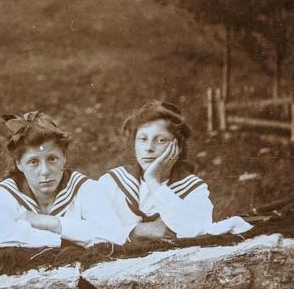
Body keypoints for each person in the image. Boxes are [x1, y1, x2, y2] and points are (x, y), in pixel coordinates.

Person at [98, 100, 252, 242]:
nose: (149, 148)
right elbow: (91, 229)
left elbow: (195, 231)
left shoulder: (193, 188)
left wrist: (153, 181)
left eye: (160, 140)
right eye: (142, 139)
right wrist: (138, 231)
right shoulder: (114, 182)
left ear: (177, 147)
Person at [0, 110, 127, 248]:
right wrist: (68, 240)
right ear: (19, 164)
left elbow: (114, 235)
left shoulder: (85, 188)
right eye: (33, 162)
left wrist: (50, 223)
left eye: (52, 159)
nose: (45, 171)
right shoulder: (5, 193)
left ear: (64, 157)